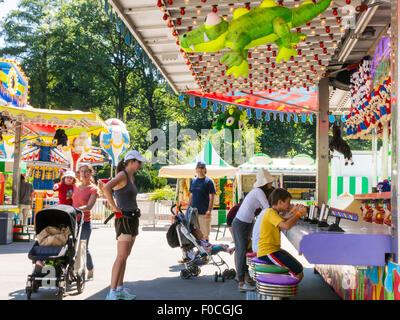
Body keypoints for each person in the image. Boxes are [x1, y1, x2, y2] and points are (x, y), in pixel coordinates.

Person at [103, 150, 147, 300]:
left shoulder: (131, 177)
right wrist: (114, 207)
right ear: (131, 161)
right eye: (139, 162)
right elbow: (106, 188)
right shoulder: (122, 175)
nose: (140, 165)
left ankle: (119, 288)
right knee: (121, 256)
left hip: (133, 218)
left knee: (125, 256)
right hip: (124, 219)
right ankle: (112, 291)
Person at [231, 169, 274, 292]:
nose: (271, 185)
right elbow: (267, 208)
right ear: (265, 183)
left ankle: (245, 278)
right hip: (240, 223)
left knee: (243, 250)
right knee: (240, 251)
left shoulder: (259, 191)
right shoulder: (259, 191)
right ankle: (240, 282)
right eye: (270, 182)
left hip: (246, 223)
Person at [257, 188, 307, 281]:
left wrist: (294, 212)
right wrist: (299, 213)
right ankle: (285, 292)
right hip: (268, 252)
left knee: (298, 267)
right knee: (298, 273)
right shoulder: (270, 213)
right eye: (288, 202)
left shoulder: (273, 212)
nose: (290, 204)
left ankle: (284, 291)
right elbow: (286, 225)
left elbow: (285, 219)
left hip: (274, 250)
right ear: (280, 202)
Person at [72, 164, 99, 281]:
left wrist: (77, 210)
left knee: (83, 247)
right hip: (72, 220)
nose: (83, 173)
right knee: (70, 246)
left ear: (91, 173)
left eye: (86, 171)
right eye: (82, 171)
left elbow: (89, 206)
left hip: (85, 222)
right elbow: (68, 198)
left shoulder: (93, 189)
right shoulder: (75, 186)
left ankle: (90, 269)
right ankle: (72, 270)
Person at [188, 161, 216, 241]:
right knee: (195, 234)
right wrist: (188, 208)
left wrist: (209, 211)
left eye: (202, 167)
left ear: (205, 169)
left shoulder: (209, 181)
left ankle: (206, 252)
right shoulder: (193, 180)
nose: (200, 169)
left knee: (205, 235)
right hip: (193, 213)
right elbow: (191, 195)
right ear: (196, 169)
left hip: (204, 213)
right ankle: (199, 251)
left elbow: (212, 198)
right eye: (198, 167)